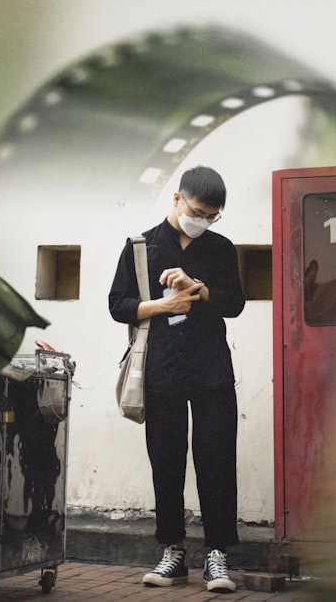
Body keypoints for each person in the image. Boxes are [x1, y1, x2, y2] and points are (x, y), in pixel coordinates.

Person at [108, 166, 246, 593]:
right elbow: (118, 305)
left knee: (217, 460)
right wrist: (161, 307)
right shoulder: (140, 247)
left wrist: (199, 289)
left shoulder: (220, 248)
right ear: (177, 199)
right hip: (162, 368)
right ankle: (173, 550)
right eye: (199, 211)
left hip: (212, 370)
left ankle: (217, 556)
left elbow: (235, 304)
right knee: (166, 461)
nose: (203, 221)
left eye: (212, 216)